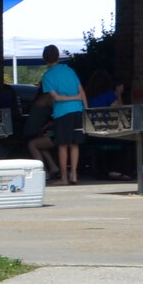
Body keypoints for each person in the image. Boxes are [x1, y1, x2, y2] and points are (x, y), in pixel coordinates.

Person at [32, 44, 86, 185]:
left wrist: (72, 98)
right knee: (75, 144)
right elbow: (81, 91)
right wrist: (86, 109)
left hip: (63, 113)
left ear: (44, 59)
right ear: (58, 56)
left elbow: (56, 98)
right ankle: (73, 174)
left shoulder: (47, 76)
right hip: (78, 111)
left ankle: (63, 178)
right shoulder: (69, 71)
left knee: (63, 145)